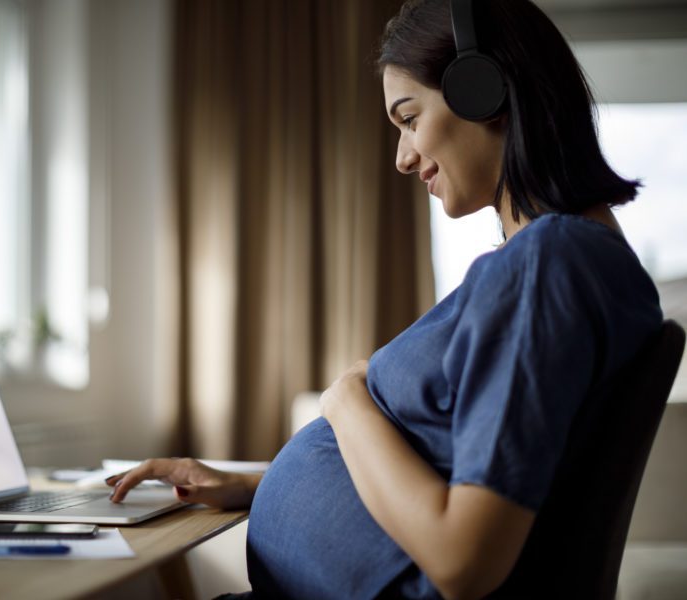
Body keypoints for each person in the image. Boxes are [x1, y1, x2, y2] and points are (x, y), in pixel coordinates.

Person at [106, 0, 663, 597]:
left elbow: (462, 558)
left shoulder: (549, 265)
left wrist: (345, 401)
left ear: (486, 93)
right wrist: (253, 485)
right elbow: (458, 470)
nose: (401, 157)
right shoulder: (569, 264)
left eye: (410, 118)